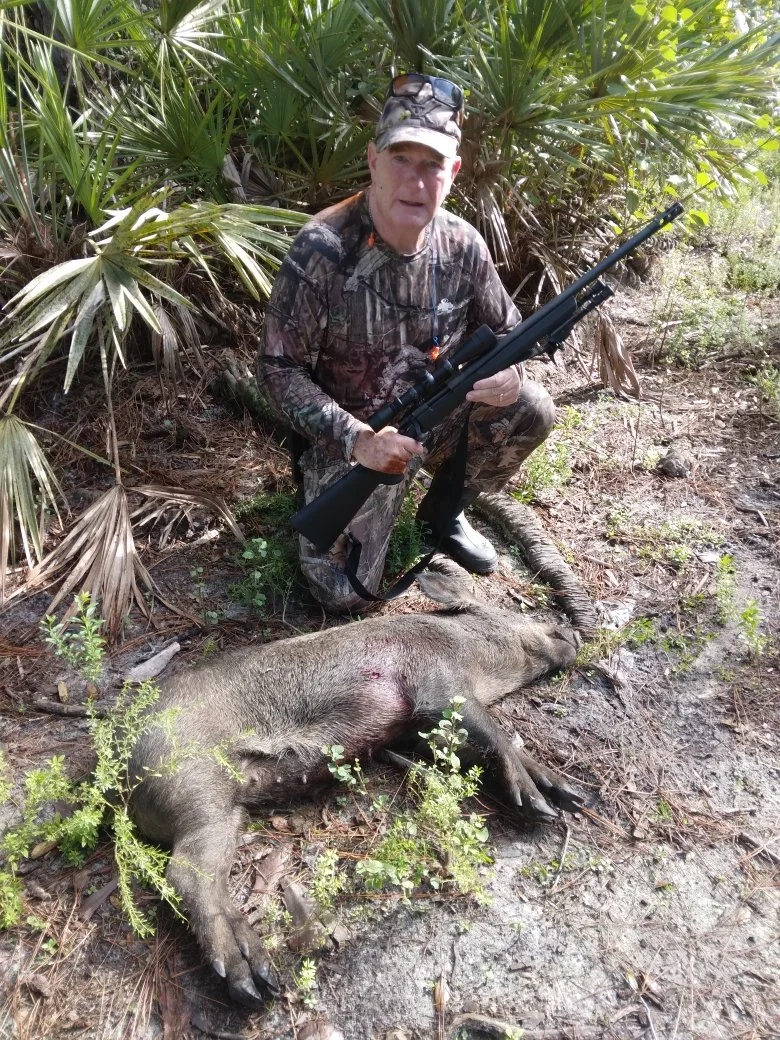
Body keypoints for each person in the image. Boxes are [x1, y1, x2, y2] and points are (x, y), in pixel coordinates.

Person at [257, 73, 555, 613]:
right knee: (342, 593)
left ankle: (443, 512)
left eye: (432, 164)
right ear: (373, 161)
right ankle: (344, 497)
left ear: (453, 173)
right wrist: (357, 439)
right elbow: (278, 371)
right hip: (357, 439)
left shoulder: (463, 244)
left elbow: (512, 333)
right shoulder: (322, 249)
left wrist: (510, 377)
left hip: (438, 417)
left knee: (531, 408)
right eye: (401, 159)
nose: (415, 181)